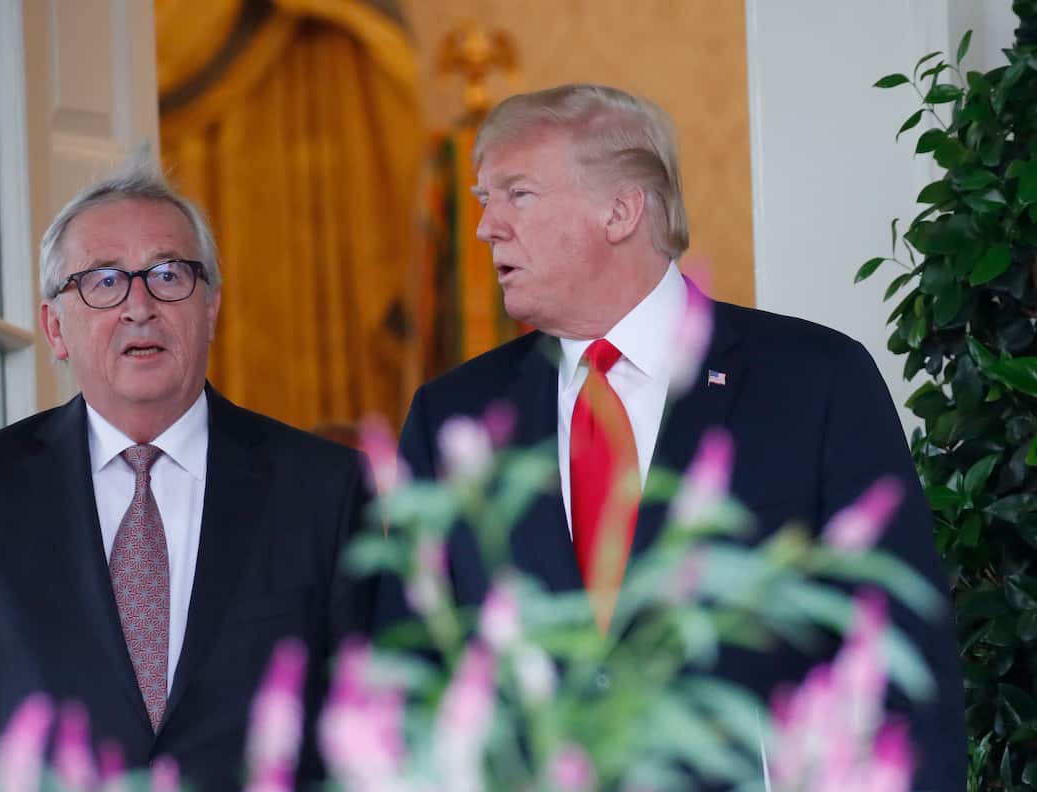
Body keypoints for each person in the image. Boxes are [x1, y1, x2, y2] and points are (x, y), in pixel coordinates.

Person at [374, 84, 964, 788]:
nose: (486, 227)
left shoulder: (814, 382)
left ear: (621, 210)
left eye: (518, 194)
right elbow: (403, 673)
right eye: (483, 199)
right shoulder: (452, 415)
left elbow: (900, 660)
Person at [0, 159, 374, 791]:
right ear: (55, 328)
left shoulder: (326, 486)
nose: (140, 306)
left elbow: (379, 738)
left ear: (210, 308)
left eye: (168, 274)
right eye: (103, 281)